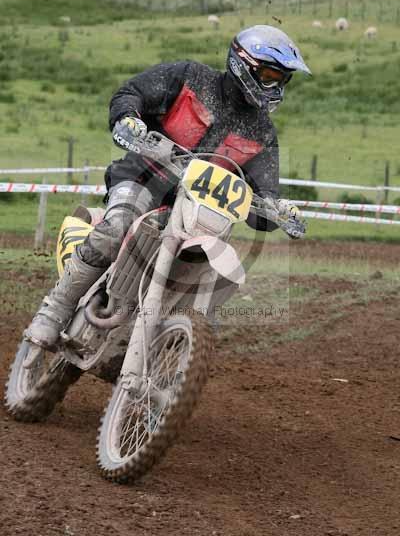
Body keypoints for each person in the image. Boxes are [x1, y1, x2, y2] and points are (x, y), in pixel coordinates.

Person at [24, 24, 311, 358]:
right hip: (144, 179)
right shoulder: (190, 77)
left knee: (212, 269)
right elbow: (131, 93)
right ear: (243, 64)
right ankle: (54, 311)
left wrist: (278, 210)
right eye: (269, 76)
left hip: (197, 213)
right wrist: (128, 119)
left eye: (282, 80)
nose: (275, 86)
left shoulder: (263, 133)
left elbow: (264, 193)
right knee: (117, 227)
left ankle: (175, 348)